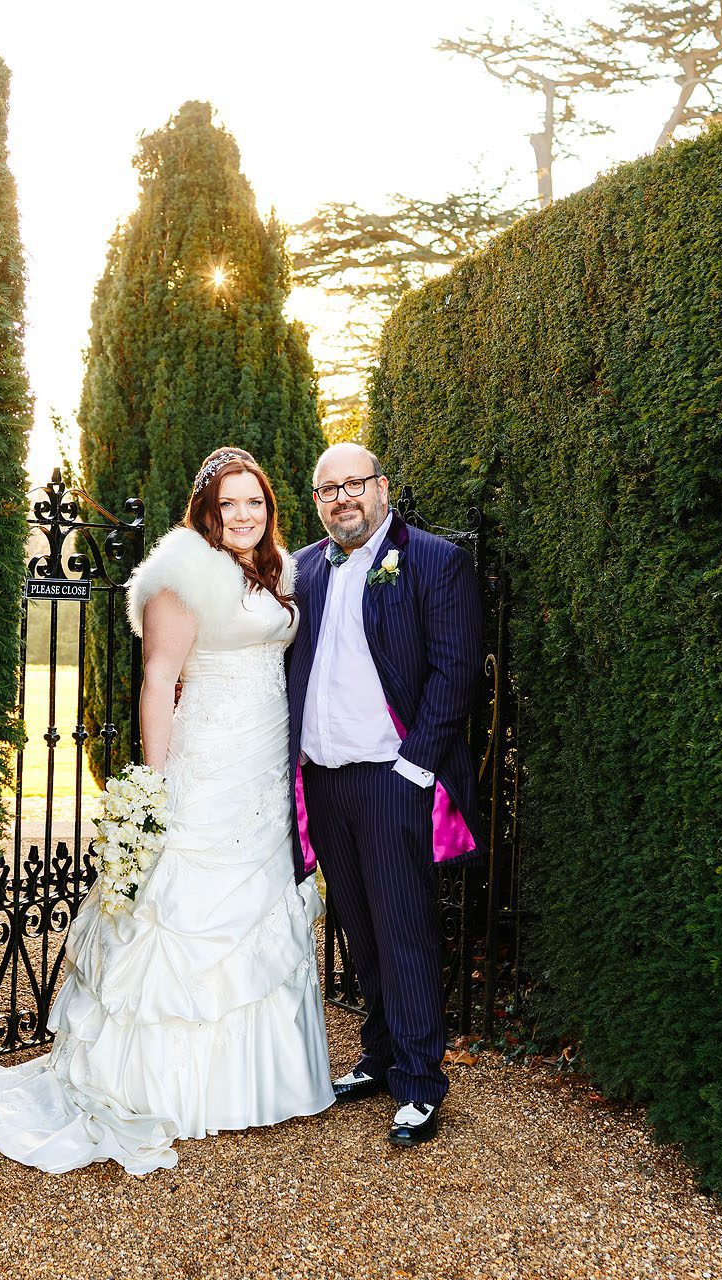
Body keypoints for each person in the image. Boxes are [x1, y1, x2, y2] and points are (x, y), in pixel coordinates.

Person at [0, 447, 334, 1173]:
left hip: (264, 764)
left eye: (255, 502)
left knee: (258, 903)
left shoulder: (276, 571)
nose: (244, 515)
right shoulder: (180, 573)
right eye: (229, 503)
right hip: (207, 760)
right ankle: (166, 1087)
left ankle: (260, 1083)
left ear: (269, 507)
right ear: (206, 510)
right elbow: (159, 679)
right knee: (183, 908)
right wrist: (156, 786)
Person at [287, 442, 484, 1148]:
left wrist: (415, 766)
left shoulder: (433, 561)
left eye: (355, 484)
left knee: (404, 930)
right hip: (324, 779)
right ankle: (378, 1056)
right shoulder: (303, 569)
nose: (343, 498)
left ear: (382, 486)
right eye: (328, 489)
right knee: (359, 930)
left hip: (390, 777)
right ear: (317, 501)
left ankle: (421, 1082)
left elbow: (456, 671)